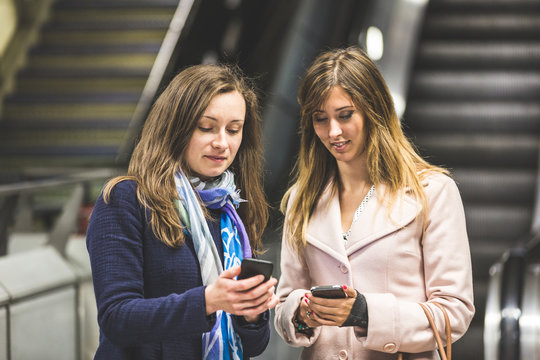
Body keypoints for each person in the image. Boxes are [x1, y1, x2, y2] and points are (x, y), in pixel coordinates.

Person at [274, 47, 475, 359]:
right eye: (320, 119)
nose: (333, 132)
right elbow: (285, 299)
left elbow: (454, 313)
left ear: (373, 110)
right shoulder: (302, 198)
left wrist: (364, 313)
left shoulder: (432, 191)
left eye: (345, 115)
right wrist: (300, 313)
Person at [86, 63, 279, 360]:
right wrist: (207, 301)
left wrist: (251, 312)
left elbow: (254, 346)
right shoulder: (126, 199)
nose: (222, 143)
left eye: (234, 130)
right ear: (176, 125)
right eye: (206, 127)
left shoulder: (229, 211)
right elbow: (116, 318)